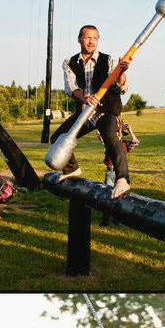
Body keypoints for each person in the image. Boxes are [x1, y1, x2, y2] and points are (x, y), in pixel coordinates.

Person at [49, 24, 132, 199]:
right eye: (87, 37)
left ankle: (123, 180)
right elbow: (71, 88)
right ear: (80, 39)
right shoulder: (69, 63)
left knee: (110, 136)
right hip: (85, 112)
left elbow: (121, 88)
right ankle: (72, 168)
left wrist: (122, 73)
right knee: (57, 138)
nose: (91, 41)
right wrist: (85, 98)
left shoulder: (108, 60)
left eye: (95, 38)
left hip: (106, 110)